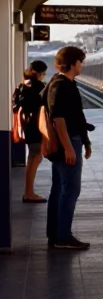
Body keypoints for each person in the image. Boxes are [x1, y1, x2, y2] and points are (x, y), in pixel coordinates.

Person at [46, 46, 92, 250]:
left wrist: (86, 141)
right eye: (81, 61)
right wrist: (69, 148)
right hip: (66, 143)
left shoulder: (67, 84)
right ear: (73, 63)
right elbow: (58, 118)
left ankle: (56, 234)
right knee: (70, 189)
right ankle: (62, 236)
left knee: (59, 189)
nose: (82, 65)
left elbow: (77, 117)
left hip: (73, 140)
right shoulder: (60, 85)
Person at [13, 60, 47, 202]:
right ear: (39, 73)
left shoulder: (23, 84)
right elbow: (42, 106)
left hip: (27, 123)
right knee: (37, 156)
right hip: (35, 124)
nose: (44, 76)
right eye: (44, 73)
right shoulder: (37, 86)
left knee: (32, 157)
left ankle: (29, 191)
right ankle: (29, 193)